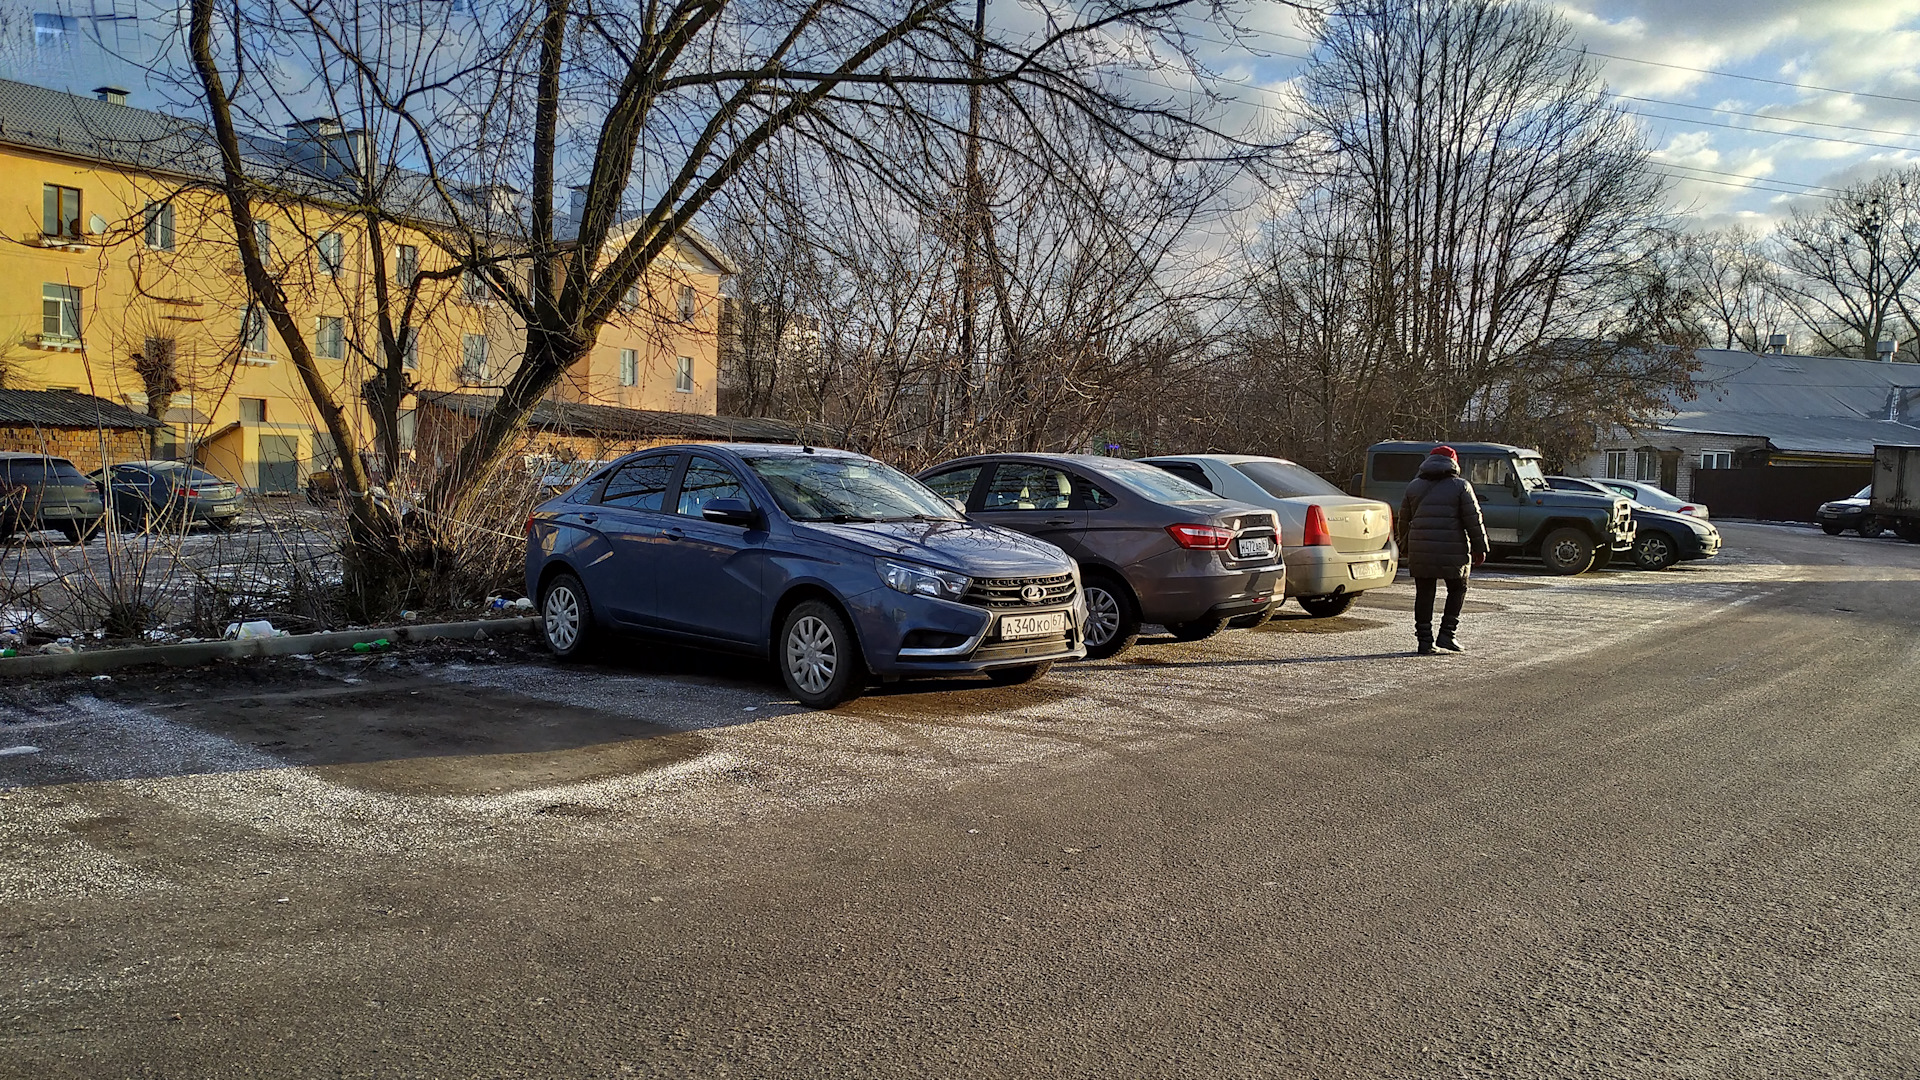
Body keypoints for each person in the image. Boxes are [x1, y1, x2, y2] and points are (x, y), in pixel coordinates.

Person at [1395, 445, 1489, 655]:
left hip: (1421, 547)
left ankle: (1424, 641)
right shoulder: (1461, 486)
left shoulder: (1413, 486)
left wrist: (1405, 546)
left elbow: (1403, 520)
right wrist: (1480, 548)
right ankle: (1447, 634)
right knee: (1457, 588)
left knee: (1425, 592)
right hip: (1453, 548)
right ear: (1454, 463)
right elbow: (1473, 520)